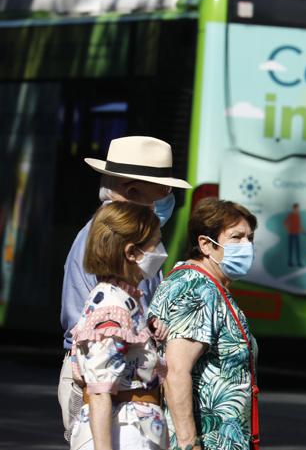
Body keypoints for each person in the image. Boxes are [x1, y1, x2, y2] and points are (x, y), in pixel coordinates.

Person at [59, 136, 192, 440]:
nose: (167, 199)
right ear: (132, 192)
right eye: (163, 192)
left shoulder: (132, 243)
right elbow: (101, 365)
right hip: (112, 392)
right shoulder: (107, 242)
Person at [148, 198, 259, 450]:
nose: (247, 246)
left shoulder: (205, 283)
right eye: (236, 237)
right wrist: (190, 444)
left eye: (249, 238)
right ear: (206, 244)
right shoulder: (197, 289)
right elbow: (176, 371)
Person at [68, 201, 169, 450]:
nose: (161, 251)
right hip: (124, 433)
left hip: (134, 430)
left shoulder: (124, 299)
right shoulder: (111, 306)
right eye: (155, 243)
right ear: (131, 252)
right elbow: (101, 390)